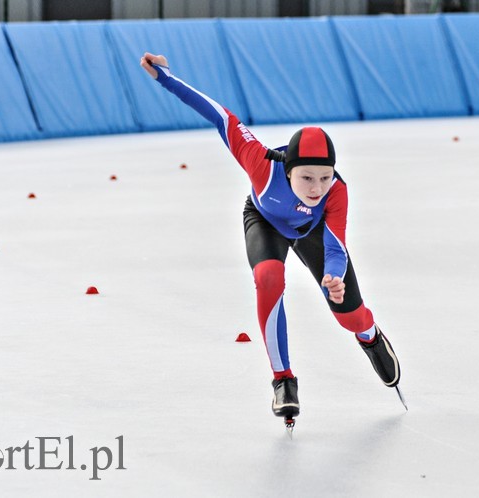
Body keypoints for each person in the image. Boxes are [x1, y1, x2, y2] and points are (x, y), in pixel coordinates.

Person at [140, 53, 401, 423]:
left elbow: (336, 244)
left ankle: (370, 337)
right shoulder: (261, 162)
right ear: (288, 168)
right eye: (307, 178)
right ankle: (283, 380)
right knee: (267, 277)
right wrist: (165, 77)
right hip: (265, 222)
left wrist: (335, 276)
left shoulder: (337, 192)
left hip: (312, 234)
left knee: (349, 317)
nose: (316, 188)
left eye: (324, 178)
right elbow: (219, 114)